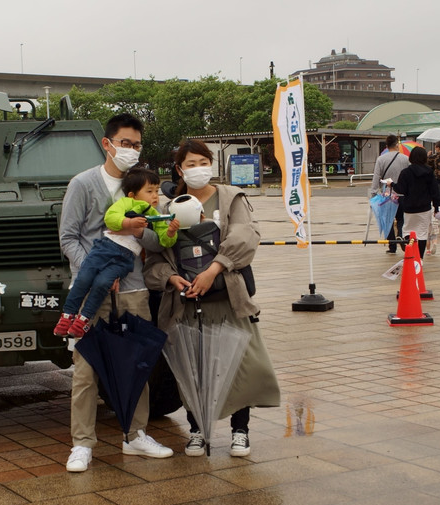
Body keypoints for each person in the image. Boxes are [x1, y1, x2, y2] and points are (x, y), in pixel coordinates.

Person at [143, 139, 280, 457]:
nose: (198, 169)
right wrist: (170, 278)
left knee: (239, 367)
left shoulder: (232, 197)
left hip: (228, 298)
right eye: (190, 164)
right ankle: (196, 430)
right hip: (186, 305)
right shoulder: (166, 208)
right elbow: (155, 261)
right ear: (179, 169)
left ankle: (240, 431)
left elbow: (245, 237)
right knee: (192, 369)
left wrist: (214, 269)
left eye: (203, 162)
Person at [58, 113, 174, 471]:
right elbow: (68, 237)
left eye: (137, 145)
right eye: (125, 143)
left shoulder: (147, 186)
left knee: (136, 364)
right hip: (93, 290)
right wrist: (98, 273)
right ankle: (82, 443)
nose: (131, 150)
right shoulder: (83, 184)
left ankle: (135, 435)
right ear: (107, 144)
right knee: (86, 368)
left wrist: (140, 231)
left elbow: (158, 240)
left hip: (134, 289)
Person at [54, 168, 179, 338]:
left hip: (124, 260)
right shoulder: (126, 203)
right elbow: (111, 218)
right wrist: (128, 223)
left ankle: (83, 320)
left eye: (156, 191)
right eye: (149, 191)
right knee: (84, 278)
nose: (155, 196)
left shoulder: (154, 214)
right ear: (132, 195)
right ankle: (67, 315)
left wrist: (170, 233)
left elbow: (162, 241)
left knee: (102, 283)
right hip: (105, 249)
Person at [393, 146, 440, 258]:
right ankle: (420, 259)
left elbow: (400, 189)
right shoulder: (429, 172)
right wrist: (436, 207)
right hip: (424, 208)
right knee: (422, 234)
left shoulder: (405, 172)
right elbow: (435, 191)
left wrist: (392, 184)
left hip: (409, 208)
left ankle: (408, 251)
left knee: (407, 232)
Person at [371, 135, 410, 253]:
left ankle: (392, 245)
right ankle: (401, 235)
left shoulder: (381, 159)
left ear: (386, 146)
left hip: (388, 194)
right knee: (401, 218)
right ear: (397, 145)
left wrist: (373, 193)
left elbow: (376, 177)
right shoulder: (405, 159)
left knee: (387, 219)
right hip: (403, 193)